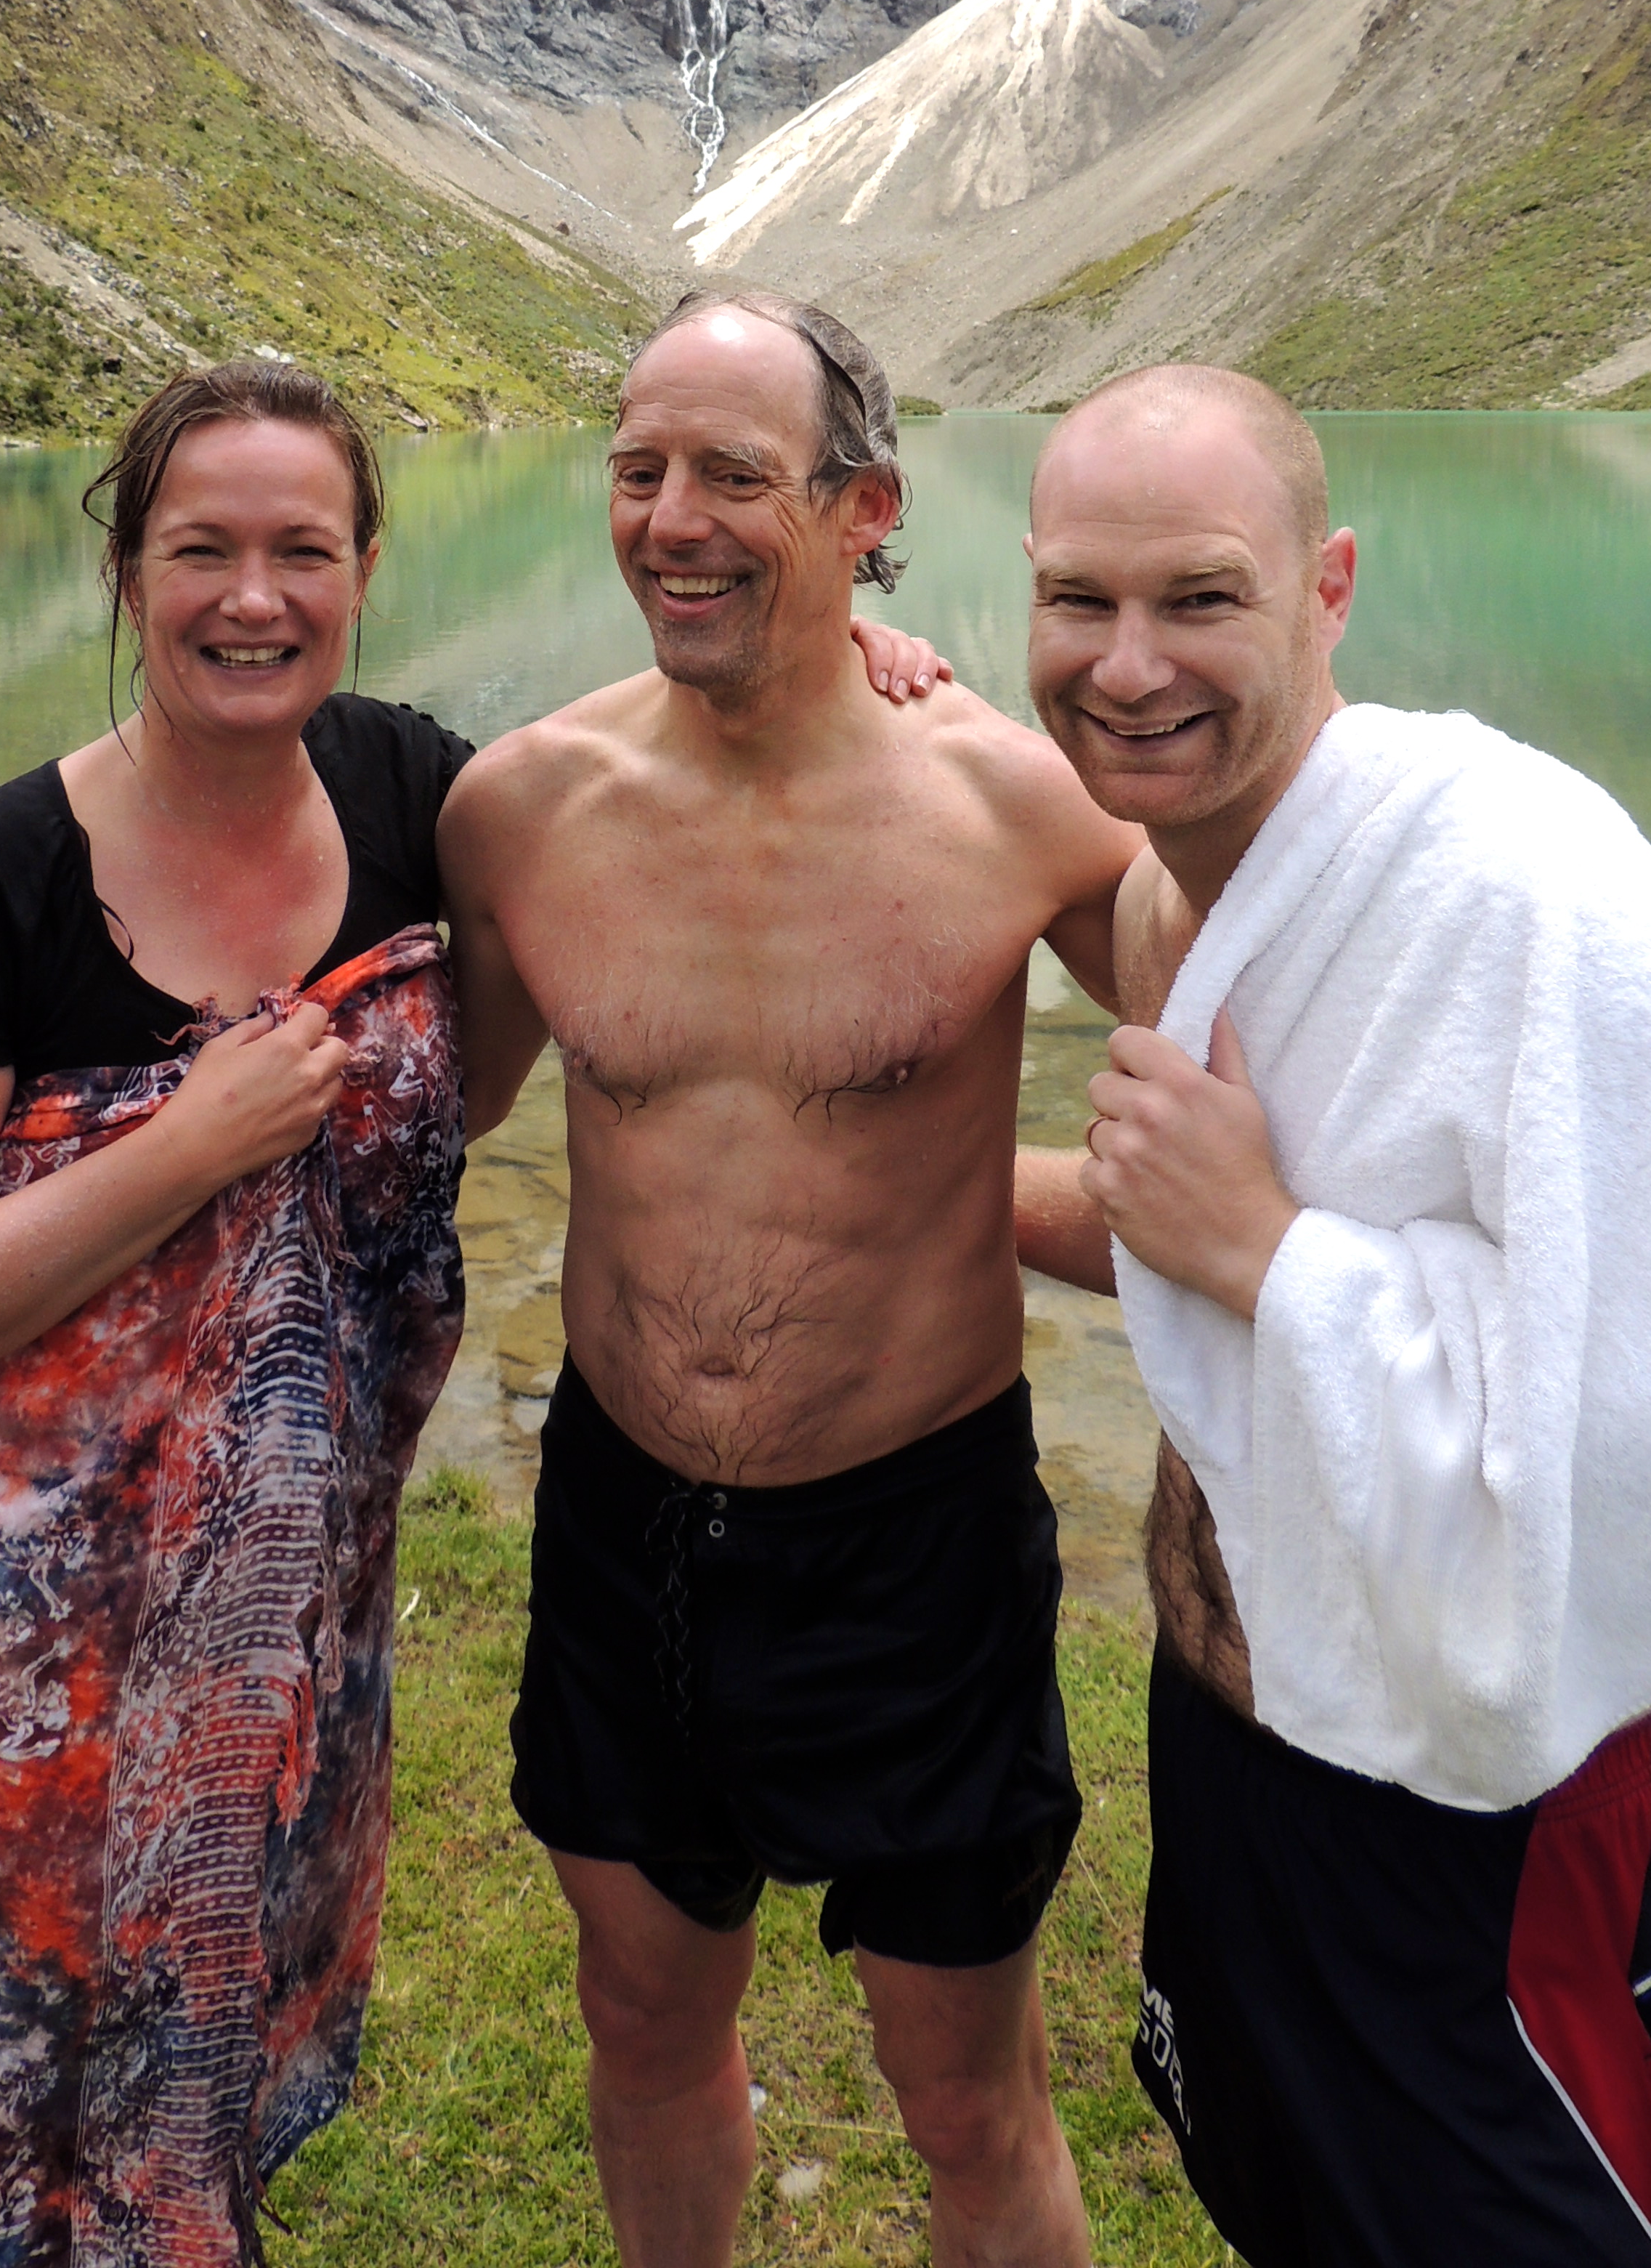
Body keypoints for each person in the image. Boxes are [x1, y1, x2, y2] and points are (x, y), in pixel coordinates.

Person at [0, 355, 942, 2267]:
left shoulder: (411, 793)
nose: (254, 597)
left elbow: (603, 843)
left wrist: (852, 659)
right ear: (127, 570)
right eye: (202, 550)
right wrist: (184, 1149)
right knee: (51, 2106)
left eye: (302, 550)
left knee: (213, 2061)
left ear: (365, 570)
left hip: (283, 1613)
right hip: (10, 1650)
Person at [1013, 362, 1651, 2268]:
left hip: (1506, 1808)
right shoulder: (1183, 893)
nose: (1127, 664)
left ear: (1328, 589)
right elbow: (1185, 1240)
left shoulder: (1540, 899)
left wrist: (1275, 1254)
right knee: (1298, 2205)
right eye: (1078, 598)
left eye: (1201, 597)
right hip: (1253, 1741)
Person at [437, 291, 1145, 2268]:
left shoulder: (1018, 807)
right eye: (639, 469)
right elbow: (434, 1102)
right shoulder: (520, 810)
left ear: (865, 509)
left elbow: (1275, 1080)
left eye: (735, 476)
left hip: (915, 1546)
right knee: (644, 2021)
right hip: (625, 1528)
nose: (673, 519)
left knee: (967, 2097)